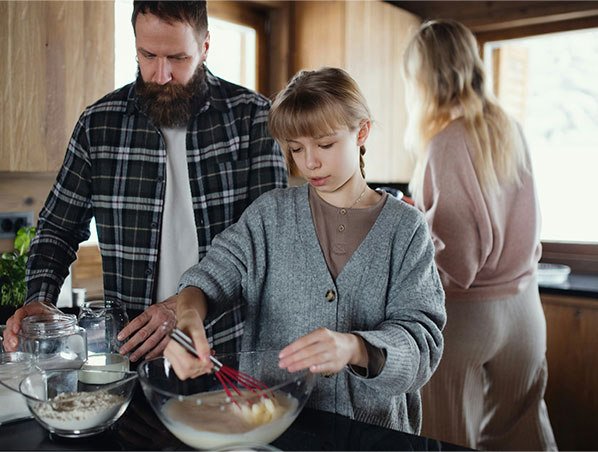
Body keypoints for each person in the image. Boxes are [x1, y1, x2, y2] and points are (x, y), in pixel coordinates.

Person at [163, 67, 446, 434]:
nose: (308, 162)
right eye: (296, 148)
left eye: (324, 145)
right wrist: (187, 320)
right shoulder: (269, 216)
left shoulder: (406, 229)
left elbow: (422, 343)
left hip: (372, 436)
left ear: (361, 132)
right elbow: (207, 280)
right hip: (275, 432)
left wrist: (354, 348)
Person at [2, 1, 287, 362]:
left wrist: (183, 305)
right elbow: (58, 228)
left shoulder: (255, 119)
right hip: (132, 358)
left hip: (230, 353)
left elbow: (269, 244)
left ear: (205, 47)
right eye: (148, 55)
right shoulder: (99, 125)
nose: (161, 74)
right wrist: (40, 300)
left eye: (178, 58)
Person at [401, 19, 557, 450]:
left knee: (449, 438)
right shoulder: (509, 128)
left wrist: (417, 229)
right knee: (524, 433)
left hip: (469, 320)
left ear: (426, 77)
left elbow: (459, 262)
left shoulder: (445, 142)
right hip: (525, 311)